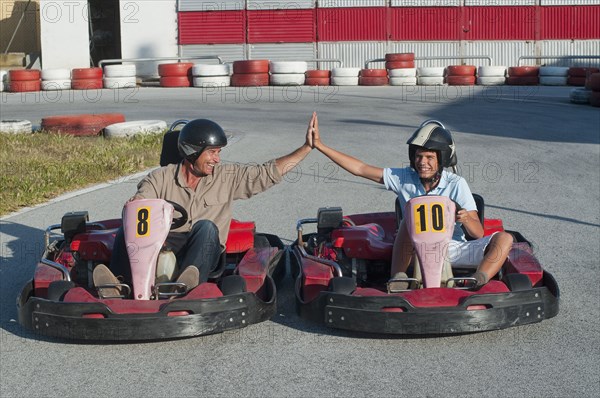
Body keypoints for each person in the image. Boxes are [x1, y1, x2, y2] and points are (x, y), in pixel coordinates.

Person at [94, 114, 317, 296]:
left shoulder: (227, 177)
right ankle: (120, 285)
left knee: (206, 226)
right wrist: (136, 204)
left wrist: (306, 148)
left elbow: (266, 173)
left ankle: (188, 285)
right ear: (192, 151)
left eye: (218, 153)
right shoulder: (159, 178)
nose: (217, 159)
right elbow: (143, 199)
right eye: (212, 152)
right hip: (161, 246)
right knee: (129, 223)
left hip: (203, 249)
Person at [308, 114, 513, 289]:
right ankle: (398, 277)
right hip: (415, 249)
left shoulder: (457, 184)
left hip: (453, 249)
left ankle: (479, 279)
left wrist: (466, 218)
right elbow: (361, 169)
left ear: (441, 159)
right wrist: (320, 146)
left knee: (505, 239)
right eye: (418, 156)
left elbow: (477, 233)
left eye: (429, 157)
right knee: (410, 218)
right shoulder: (404, 178)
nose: (422, 163)